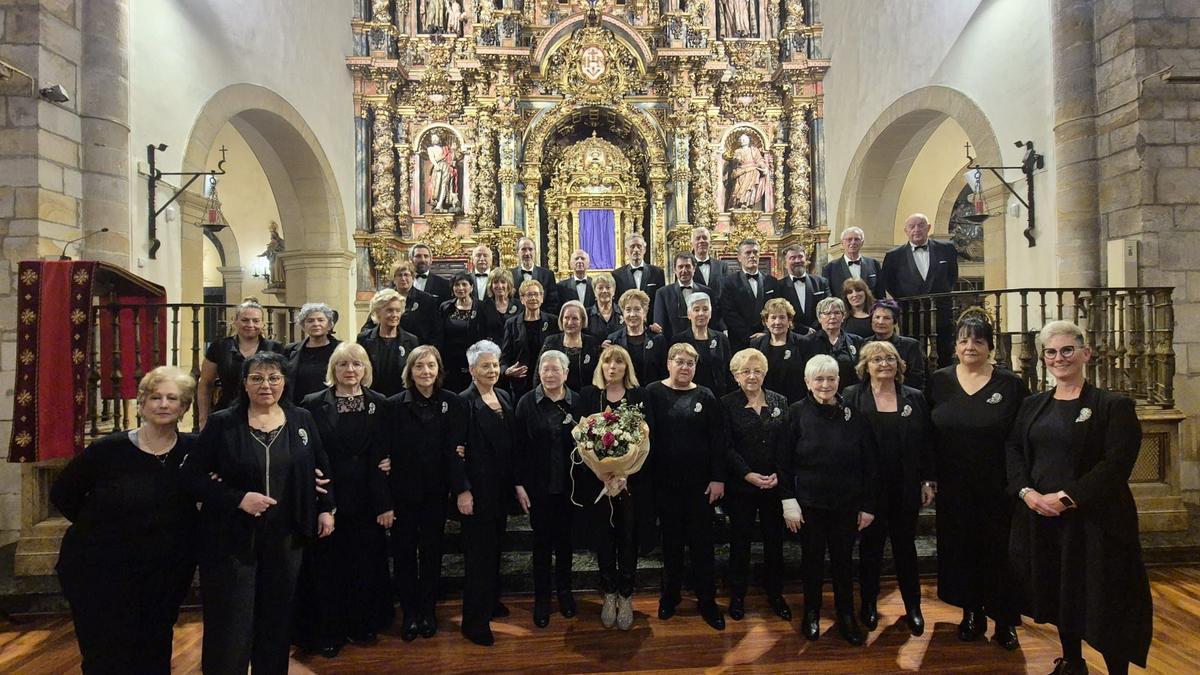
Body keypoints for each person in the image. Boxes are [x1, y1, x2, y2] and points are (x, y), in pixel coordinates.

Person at [1007, 321, 1152, 675]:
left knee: (1106, 596)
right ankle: (1072, 661)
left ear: (1085, 353)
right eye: (1052, 352)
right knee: (1060, 590)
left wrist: (1068, 498)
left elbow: (1116, 464)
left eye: (1067, 350)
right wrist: (1027, 493)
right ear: (1043, 358)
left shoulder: (1112, 405)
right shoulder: (1032, 404)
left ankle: (1118, 670)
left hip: (1097, 522)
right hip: (1044, 519)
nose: (1060, 358)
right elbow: (1013, 449)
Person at [184, 351, 335, 673]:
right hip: (232, 538)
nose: (266, 385)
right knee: (232, 621)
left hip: (286, 536)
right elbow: (192, 477)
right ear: (244, 383)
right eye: (257, 378)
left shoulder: (301, 419)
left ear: (284, 382)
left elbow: (321, 467)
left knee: (277, 618)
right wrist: (237, 498)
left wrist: (326, 509)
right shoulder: (224, 422)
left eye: (273, 378)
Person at [52, 367, 198, 674]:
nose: (163, 404)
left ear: (184, 407)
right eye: (155, 397)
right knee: (105, 650)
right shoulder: (109, 449)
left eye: (172, 398)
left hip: (163, 573)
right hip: (99, 569)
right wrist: (103, 529)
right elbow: (64, 494)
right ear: (142, 403)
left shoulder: (194, 450)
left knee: (155, 646)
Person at [926, 310, 1029, 650]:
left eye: (978, 340)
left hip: (998, 486)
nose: (970, 346)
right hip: (954, 486)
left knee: (1000, 553)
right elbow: (928, 434)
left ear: (990, 346)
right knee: (962, 550)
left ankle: (1005, 621)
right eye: (964, 340)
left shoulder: (1010, 384)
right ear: (955, 345)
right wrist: (929, 477)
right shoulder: (939, 381)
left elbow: (1022, 437)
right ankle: (972, 613)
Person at [295, 343, 394, 657]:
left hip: (368, 499)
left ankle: (363, 623)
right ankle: (330, 630)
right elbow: (303, 449)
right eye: (343, 365)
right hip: (329, 498)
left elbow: (386, 451)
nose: (350, 370)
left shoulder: (380, 403)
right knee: (328, 567)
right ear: (333, 370)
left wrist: (385, 502)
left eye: (356, 364)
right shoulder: (311, 404)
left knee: (365, 564)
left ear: (365, 369)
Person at [778, 354, 877, 646]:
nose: (825, 384)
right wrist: (788, 501)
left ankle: (846, 615)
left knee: (844, 563)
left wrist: (868, 505)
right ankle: (812, 612)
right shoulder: (795, 414)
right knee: (811, 562)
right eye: (818, 379)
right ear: (807, 382)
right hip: (809, 504)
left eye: (831, 378)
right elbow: (782, 462)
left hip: (846, 504)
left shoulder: (853, 415)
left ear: (839, 381)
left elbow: (870, 464)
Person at [842, 341, 933, 637]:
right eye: (877, 359)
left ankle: (913, 608)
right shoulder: (852, 396)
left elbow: (925, 443)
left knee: (906, 549)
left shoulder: (915, 398)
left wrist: (927, 480)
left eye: (890, 359)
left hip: (904, 486)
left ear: (899, 364)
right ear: (865, 366)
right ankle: (868, 604)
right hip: (868, 490)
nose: (885, 364)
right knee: (870, 550)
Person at [645, 342, 727, 631]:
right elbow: (645, 438)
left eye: (690, 363)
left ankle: (707, 601)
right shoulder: (652, 393)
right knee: (672, 545)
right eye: (679, 361)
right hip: (665, 485)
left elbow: (718, 440)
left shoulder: (706, 395)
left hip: (701, 487)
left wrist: (718, 478)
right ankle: (670, 596)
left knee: (703, 546)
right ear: (668, 363)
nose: (684, 367)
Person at [390, 345, 468, 641]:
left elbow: (456, 448)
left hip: (436, 492)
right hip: (403, 493)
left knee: (433, 553)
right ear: (410, 371)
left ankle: (428, 610)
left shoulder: (452, 403)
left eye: (431, 366)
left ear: (439, 370)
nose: (426, 372)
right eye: (419, 366)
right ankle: (410, 612)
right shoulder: (394, 405)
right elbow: (386, 449)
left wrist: (459, 488)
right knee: (405, 554)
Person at [577, 345, 655, 631]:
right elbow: (582, 441)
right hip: (598, 484)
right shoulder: (588, 395)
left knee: (628, 539)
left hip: (630, 485)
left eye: (619, 362)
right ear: (601, 366)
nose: (613, 367)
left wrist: (625, 475)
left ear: (627, 367)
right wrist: (603, 474)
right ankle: (609, 594)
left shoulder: (640, 396)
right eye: (608, 361)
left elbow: (647, 441)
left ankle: (626, 594)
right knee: (604, 540)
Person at [454, 340, 518, 646]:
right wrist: (463, 491)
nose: (492, 370)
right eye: (485, 366)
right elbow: (455, 454)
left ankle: (491, 601)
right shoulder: (463, 402)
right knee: (478, 558)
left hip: (499, 490)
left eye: (495, 365)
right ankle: (474, 621)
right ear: (471, 369)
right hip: (476, 492)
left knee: (494, 552)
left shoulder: (503, 395)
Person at [721, 348, 791, 623]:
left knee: (775, 542)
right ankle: (737, 594)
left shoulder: (780, 401)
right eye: (745, 371)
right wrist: (747, 474)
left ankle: (776, 593)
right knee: (740, 543)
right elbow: (725, 447)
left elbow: (786, 443)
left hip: (774, 485)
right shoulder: (726, 403)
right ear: (736, 375)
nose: (752, 376)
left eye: (757, 370)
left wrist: (777, 474)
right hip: (742, 487)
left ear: (765, 373)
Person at [514, 350, 581, 628]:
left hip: (570, 488)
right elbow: (516, 447)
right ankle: (542, 598)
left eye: (556, 370)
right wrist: (519, 484)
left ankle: (564, 592)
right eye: (545, 369)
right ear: (538, 373)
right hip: (538, 487)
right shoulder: (526, 403)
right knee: (541, 545)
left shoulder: (577, 401)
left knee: (565, 544)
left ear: (566, 373)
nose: (550, 374)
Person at [881, 213, 959, 367]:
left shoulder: (947, 249)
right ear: (906, 231)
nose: (916, 229)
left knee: (945, 351)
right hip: (911, 312)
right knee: (914, 353)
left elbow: (952, 276)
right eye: (912, 226)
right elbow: (889, 283)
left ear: (928, 228)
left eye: (920, 225)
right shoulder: (893, 256)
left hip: (942, 310)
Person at [198, 298, 283, 428]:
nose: (250, 324)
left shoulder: (275, 348)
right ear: (235, 321)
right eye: (245, 320)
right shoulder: (220, 347)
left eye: (256, 321)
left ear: (262, 323)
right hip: (227, 413)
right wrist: (203, 418)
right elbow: (205, 384)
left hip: (265, 415)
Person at [501, 279, 560, 400]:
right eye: (529, 294)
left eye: (536, 294)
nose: (533, 298)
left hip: (548, 381)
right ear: (522, 299)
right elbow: (504, 358)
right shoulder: (511, 324)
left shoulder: (553, 321)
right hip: (521, 383)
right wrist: (507, 371)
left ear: (542, 298)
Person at [359, 289, 420, 397]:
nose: (394, 315)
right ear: (378, 312)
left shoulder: (412, 341)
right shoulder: (364, 339)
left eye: (398, 310)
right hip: (372, 399)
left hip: (402, 400)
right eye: (389, 310)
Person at [723, 238, 780, 351]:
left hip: (769, 340)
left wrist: (766, 333)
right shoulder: (728, 282)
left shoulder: (772, 281)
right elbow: (729, 313)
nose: (752, 256)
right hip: (740, 342)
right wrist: (750, 337)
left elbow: (777, 310)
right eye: (748, 253)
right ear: (739, 257)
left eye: (755, 252)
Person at [750, 298, 808, 404]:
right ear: (766, 321)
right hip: (766, 403)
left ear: (789, 320)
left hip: (796, 402)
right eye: (773, 317)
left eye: (782, 317)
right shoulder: (756, 344)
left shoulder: (803, 342)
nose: (777, 322)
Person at [606, 289, 667, 385]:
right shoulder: (613, 340)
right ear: (623, 313)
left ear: (645, 312)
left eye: (637, 309)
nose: (632, 314)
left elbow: (664, 373)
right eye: (628, 309)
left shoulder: (658, 339)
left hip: (653, 394)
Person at [800, 297, 864, 389]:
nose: (833, 317)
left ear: (843, 317)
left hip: (850, 395)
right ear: (819, 318)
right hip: (819, 393)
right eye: (827, 313)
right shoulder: (806, 342)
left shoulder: (857, 341)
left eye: (837, 313)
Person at [284, 303, 340, 405]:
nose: (316, 324)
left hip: (331, 407)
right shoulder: (290, 350)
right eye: (310, 321)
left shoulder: (341, 349)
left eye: (321, 320)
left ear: (329, 325)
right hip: (300, 407)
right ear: (303, 326)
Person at [653, 252, 717, 343]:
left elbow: (713, 322)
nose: (684, 270)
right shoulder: (663, 293)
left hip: (702, 344)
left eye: (687, 266)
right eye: (680, 267)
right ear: (675, 270)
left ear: (694, 269)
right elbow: (660, 326)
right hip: (673, 346)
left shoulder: (707, 292)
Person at [865, 298, 927, 391]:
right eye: (877, 317)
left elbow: (917, 379)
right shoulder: (864, 344)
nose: (880, 322)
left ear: (895, 322)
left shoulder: (910, 345)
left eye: (886, 318)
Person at [540, 300, 600, 393]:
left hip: (586, 398)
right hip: (556, 396)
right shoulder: (551, 342)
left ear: (583, 320)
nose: (569, 322)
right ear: (561, 319)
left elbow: (598, 375)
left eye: (575, 318)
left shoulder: (592, 343)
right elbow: (539, 372)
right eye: (566, 318)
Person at [439, 271, 483, 393]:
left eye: (464, 284)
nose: (461, 288)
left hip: (474, 362)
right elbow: (440, 334)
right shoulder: (445, 307)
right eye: (457, 285)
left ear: (471, 287)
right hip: (450, 364)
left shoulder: (482, 307)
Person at [612, 233, 665, 321]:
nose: (636, 250)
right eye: (632, 246)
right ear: (626, 251)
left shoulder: (657, 272)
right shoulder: (617, 275)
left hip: (651, 323)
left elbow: (660, 302)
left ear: (644, 249)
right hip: (628, 324)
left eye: (639, 246)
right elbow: (617, 303)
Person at [777, 245, 828, 335]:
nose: (797, 260)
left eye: (800, 257)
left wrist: (815, 328)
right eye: (793, 258)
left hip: (819, 334)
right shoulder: (778, 286)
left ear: (806, 260)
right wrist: (803, 329)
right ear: (785, 264)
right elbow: (779, 313)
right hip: (791, 336)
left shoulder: (821, 282)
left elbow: (827, 308)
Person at [390, 261, 443, 346]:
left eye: (406, 275)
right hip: (391, 348)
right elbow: (371, 323)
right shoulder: (385, 299)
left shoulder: (427, 300)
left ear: (413, 277)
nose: (403, 279)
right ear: (394, 279)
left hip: (418, 349)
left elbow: (436, 331)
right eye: (399, 275)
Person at [822, 226, 883, 300]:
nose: (853, 242)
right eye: (849, 239)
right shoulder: (830, 268)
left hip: (870, 310)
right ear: (842, 243)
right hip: (843, 310)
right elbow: (828, 297)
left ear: (862, 242)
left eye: (857, 239)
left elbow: (881, 294)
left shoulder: (874, 264)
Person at [511, 236, 561, 315]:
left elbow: (553, 303)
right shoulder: (510, 275)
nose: (527, 253)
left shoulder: (547, 275)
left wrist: (539, 317)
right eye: (523, 249)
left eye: (530, 249)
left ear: (535, 252)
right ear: (517, 252)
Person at [480, 267, 520, 346]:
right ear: (491, 286)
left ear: (509, 285)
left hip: (515, 351)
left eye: (503, 282)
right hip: (491, 352)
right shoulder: (483, 306)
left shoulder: (519, 306)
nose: (499, 286)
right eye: (495, 282)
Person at [728, 134, 769, 207]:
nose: (743, 141)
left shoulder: (754, 150)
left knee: (750, 188)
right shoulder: (738, 151)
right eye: (741, 139)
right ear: (739, 141)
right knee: (738, 187)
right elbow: (734, 162)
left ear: (749, 140)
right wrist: (737, 160)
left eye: (745, 139)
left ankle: (746, 203)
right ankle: (737, 203)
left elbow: (759, 160)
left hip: (752, 171)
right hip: (741, 172)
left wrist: (764, 167)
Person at [586, 272, 624, 340]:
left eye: (608, 287)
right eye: (600, 288)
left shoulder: (623, 312)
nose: (604, 291)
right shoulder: (586, 314)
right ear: (594, 292)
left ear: (614, 291)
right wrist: (599, 346)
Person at [690, 226, 729, 291]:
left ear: (710, 242)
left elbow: (727, 290)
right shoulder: (686, 267)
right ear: (692, 243)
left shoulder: (722, 266)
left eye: (705, 238)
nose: (701, 241)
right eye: (698, 238)